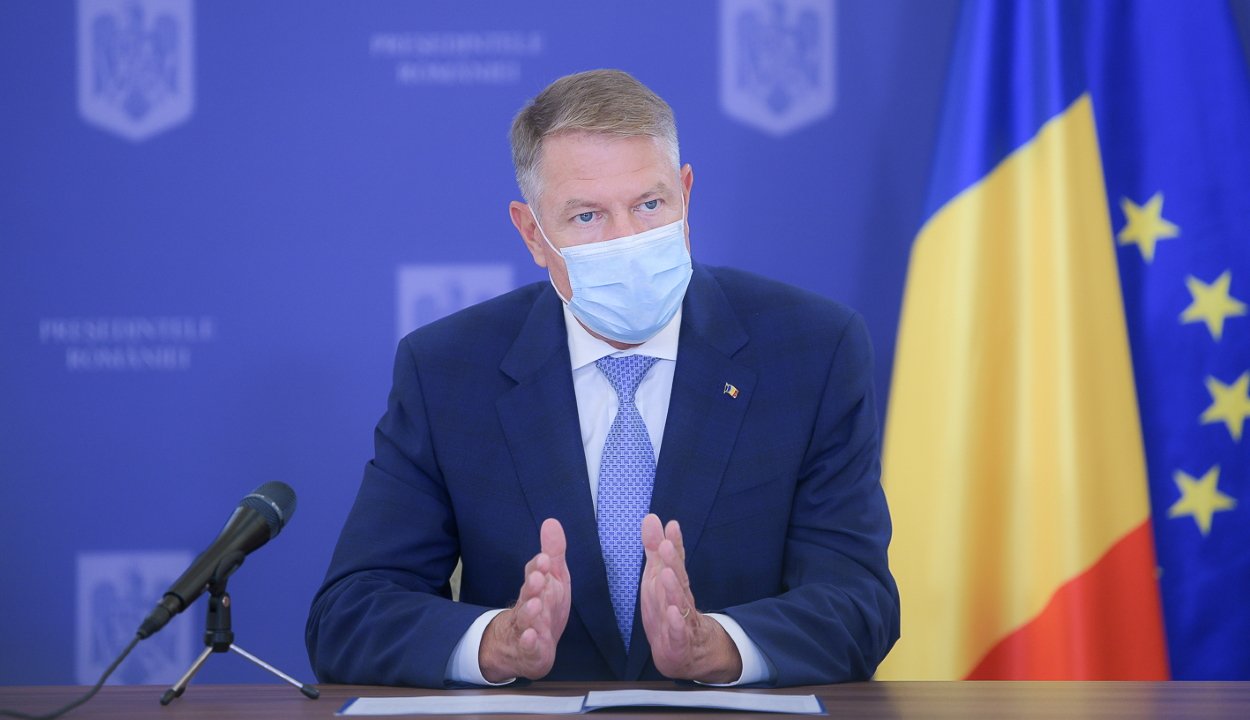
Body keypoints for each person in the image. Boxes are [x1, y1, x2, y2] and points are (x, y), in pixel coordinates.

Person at [306, 69, 899, 688]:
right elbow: (350, 614)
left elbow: (859, 602)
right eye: (588, 216)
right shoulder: (448, 370)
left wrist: (716, 647)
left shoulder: (811, 350)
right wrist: (497, 645)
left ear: (685, 194)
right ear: (533, 234)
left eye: (649, 205)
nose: (627, 241)